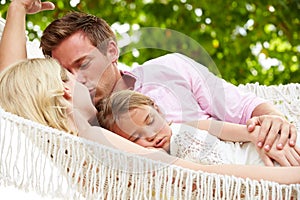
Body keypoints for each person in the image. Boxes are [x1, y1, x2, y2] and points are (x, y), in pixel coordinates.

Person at [0, 0, 300, 185]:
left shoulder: (171, 68)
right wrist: (16, 8)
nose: (79, 79)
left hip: (260, 151)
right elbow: (17, 88)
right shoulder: (91, 126)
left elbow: (248, 106)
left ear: (111, 50)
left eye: (83, 64)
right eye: (67, 73)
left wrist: (272, 125)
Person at [96, 90, 300, 166]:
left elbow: (240, 132)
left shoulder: (189, 126)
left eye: (150, 121)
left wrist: (263, 139)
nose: (151, 135)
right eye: (135, 137)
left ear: (158, 110)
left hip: (259, 154)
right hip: (246, 180)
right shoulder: (164, 163)